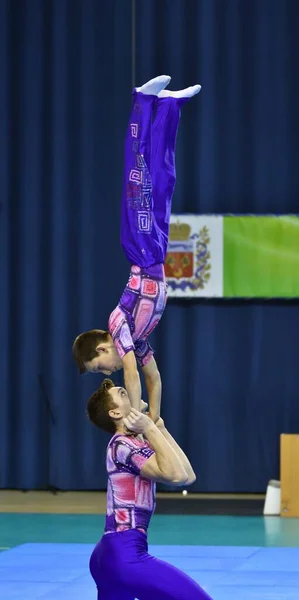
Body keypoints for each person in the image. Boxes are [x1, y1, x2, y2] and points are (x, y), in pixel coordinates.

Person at [72, 75, 201, 419]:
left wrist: (133, 418)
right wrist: (154, 419)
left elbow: (131, 373)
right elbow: (153, 378)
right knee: (164, 182)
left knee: (139, 176)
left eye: (100, 366)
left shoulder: (118, 326)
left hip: (140, 252)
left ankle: (143, 102)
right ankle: (170, 107)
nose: (107, 372)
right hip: (155, 256)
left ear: (102, 347)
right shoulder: (138, 340)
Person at [87, 378, 213, 600]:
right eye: (124, 394)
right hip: (124, 555)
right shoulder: (123, 445)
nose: (133, 393)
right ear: (116, 413)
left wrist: (159, 428)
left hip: (107, 555)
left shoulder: (132, 442)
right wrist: (149, 428)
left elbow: (187, 476)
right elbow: (175, 475)